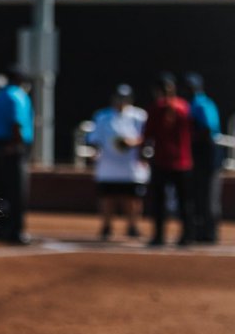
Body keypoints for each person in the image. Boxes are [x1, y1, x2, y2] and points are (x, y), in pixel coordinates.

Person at [86, 84, 149, 240]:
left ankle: (133, 226)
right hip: (108, 166)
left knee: (132, 198)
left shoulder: (139, 116)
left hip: (131, 166)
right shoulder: (102, 116)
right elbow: (94, 140)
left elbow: (147, 137)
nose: (121, 101)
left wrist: (133, 143)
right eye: (118, 98)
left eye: (124, 98)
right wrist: (94, 152)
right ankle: (107, 226)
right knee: (108, 197)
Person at [141, 73, 194, 247]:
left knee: (159, 201)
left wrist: (141, 153)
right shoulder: (184, 107)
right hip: (183, 161)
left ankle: (159, 236)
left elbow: (148, 134)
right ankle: (186, 236)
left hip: (162, 161)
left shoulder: (156, 108)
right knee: (184, 201)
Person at [0, 69, 33, 244]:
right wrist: (16, 145)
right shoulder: (17, 95)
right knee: (17, 192)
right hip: (14, 148)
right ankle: (15, 232)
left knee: (0, 189)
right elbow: (17, 123)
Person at [182, 72, 222, 243]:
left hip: (206, 154)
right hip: (199, 153)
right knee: (198, 195)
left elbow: (208, 129)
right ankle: (200, 230)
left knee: (207, 194)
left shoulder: (202, 103)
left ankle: (208, 232)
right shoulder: (193, 103)